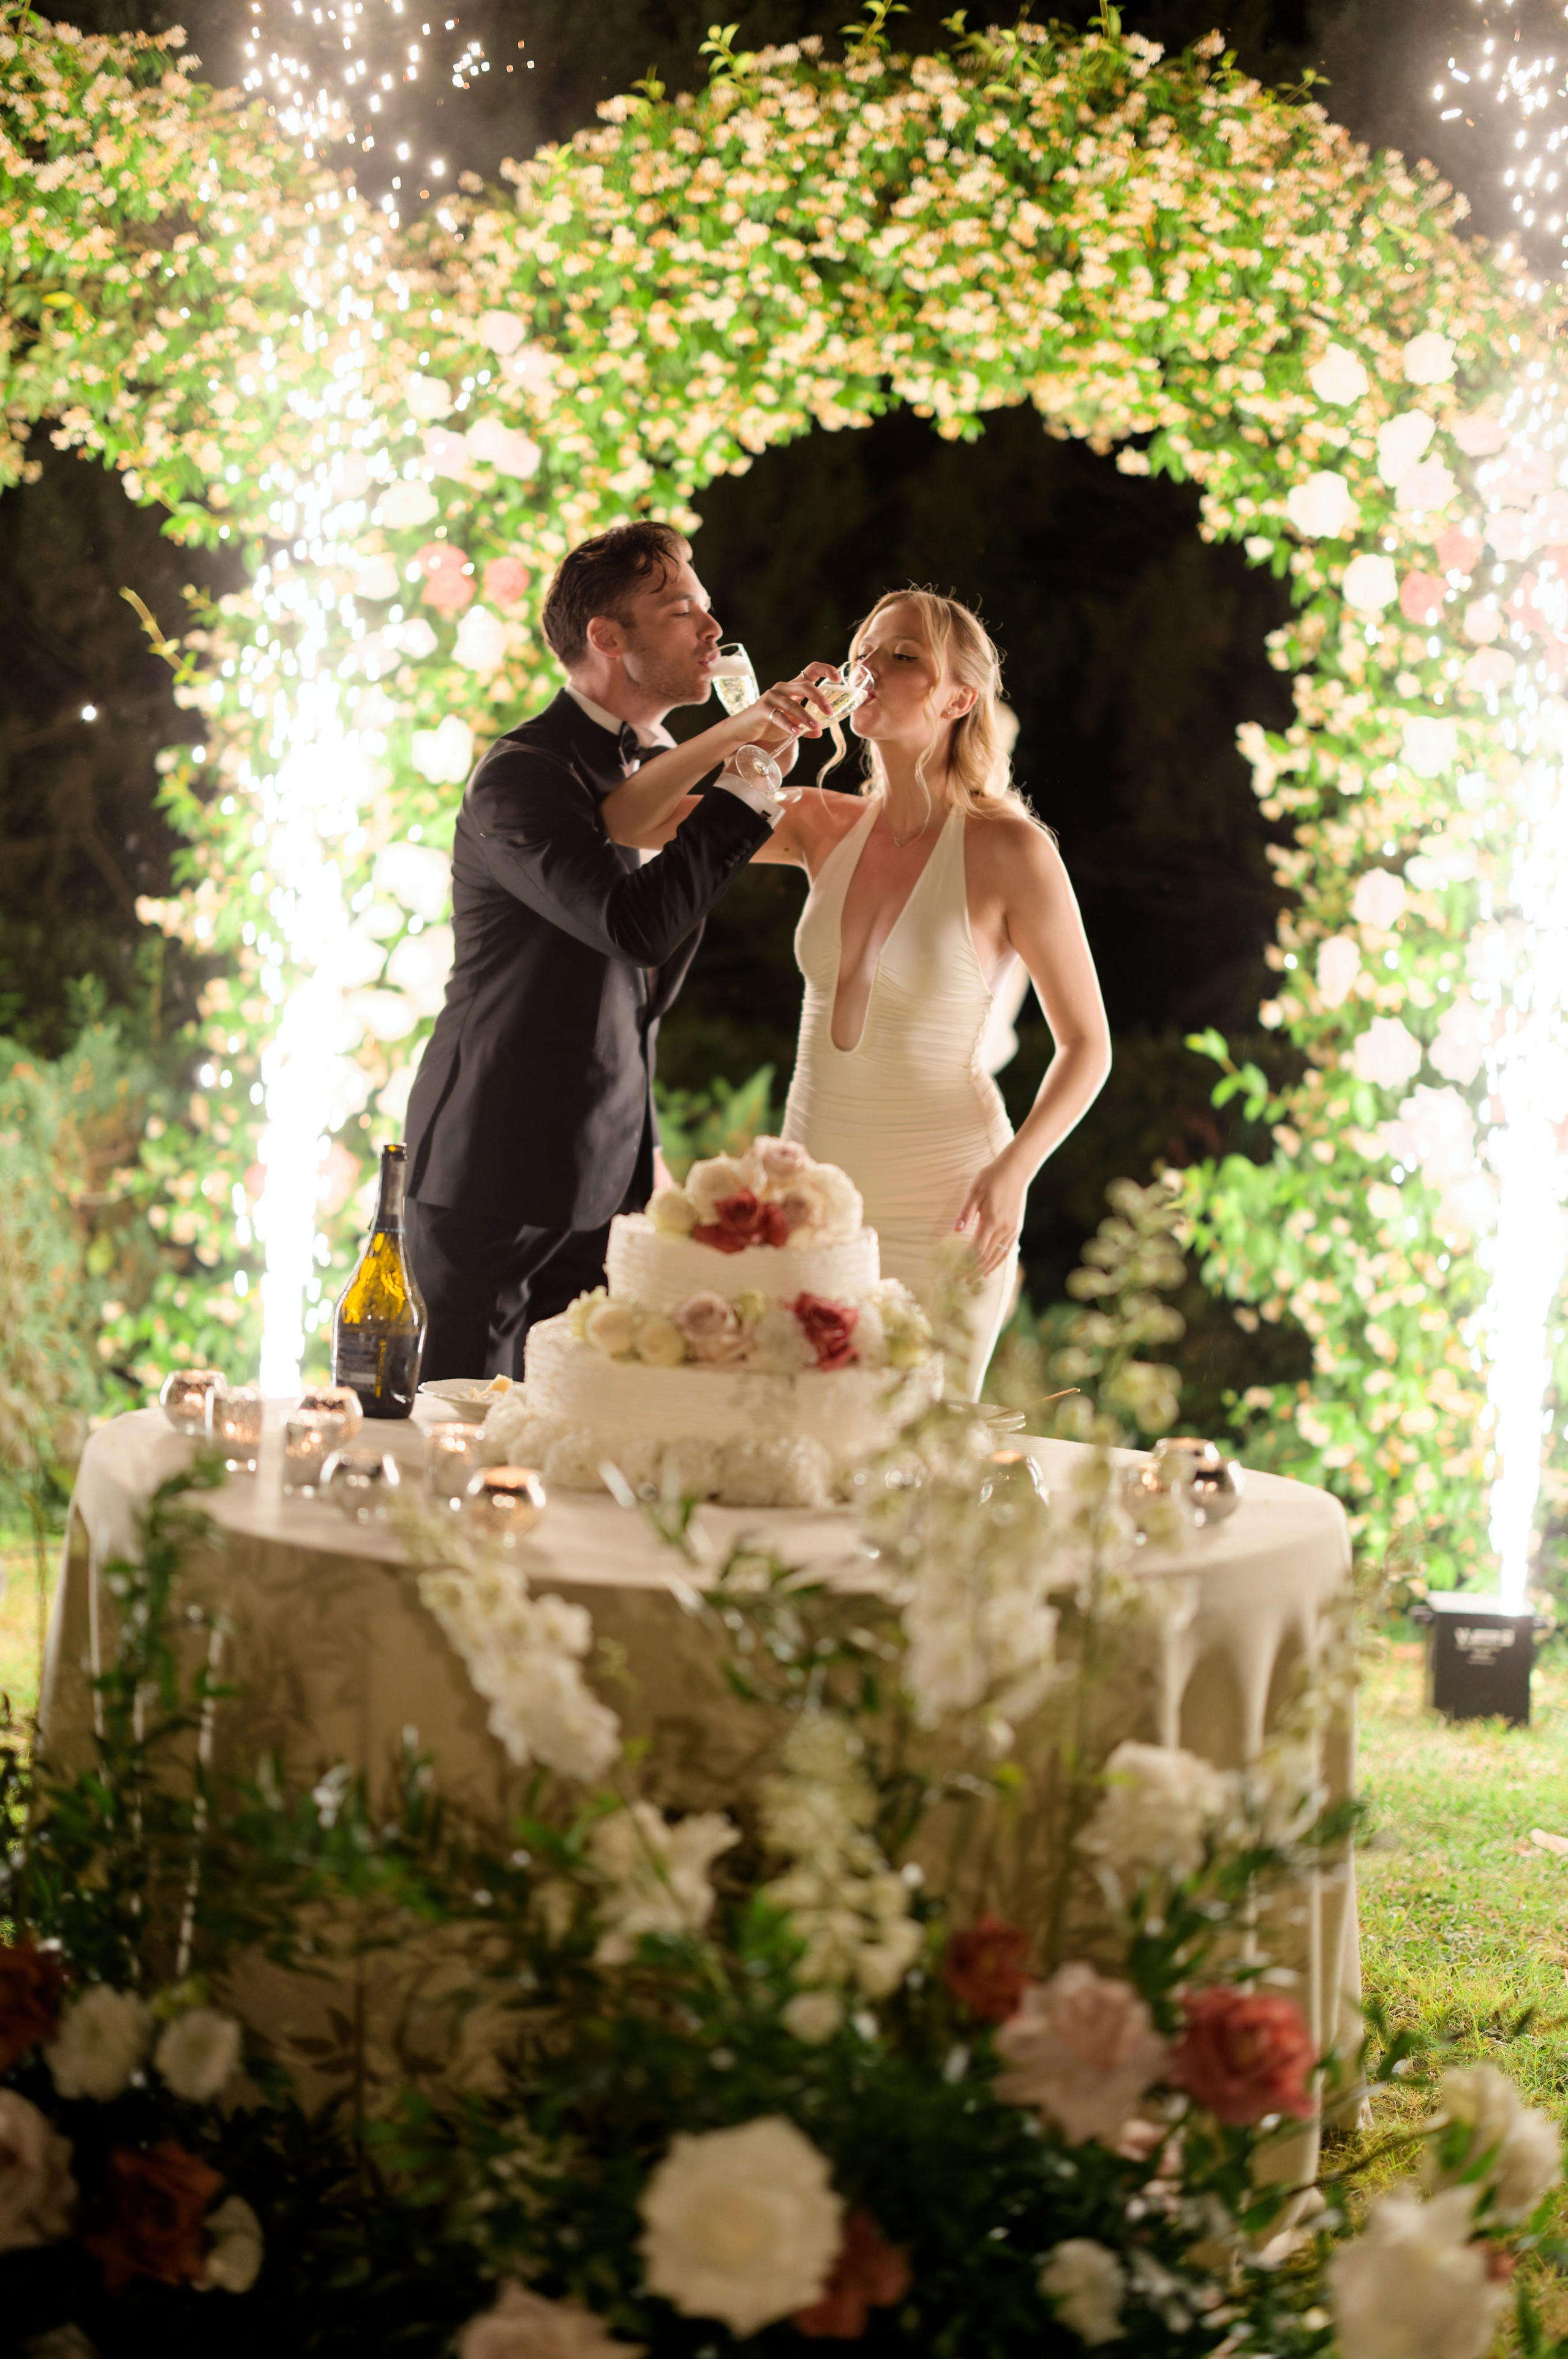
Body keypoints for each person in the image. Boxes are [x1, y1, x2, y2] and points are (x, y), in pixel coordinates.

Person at [600, 587, 1111, 1396]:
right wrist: (752, 729)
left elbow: (1087, 1045)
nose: (868, 667)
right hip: (812, 1199)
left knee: (916, 1445)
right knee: (799, 1427)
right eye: (863, 651)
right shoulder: (817, 821)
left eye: (902, 656)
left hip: (945, 1203)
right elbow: (630, 821)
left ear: (958, 699)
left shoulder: (1010, 848)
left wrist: (1016, 1168)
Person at [404, 521, 833, 1380]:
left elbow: (636, 1000)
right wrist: (747, 777)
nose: (713, 628)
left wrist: (644, 1152)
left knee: (585, 1420)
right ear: (607, 638)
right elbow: (634, 926)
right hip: (497, 1169)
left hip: (609, 1179)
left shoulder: (657, 773)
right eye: (680, 611)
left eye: (707, 608)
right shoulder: (522, 775)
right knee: (468, 1425)